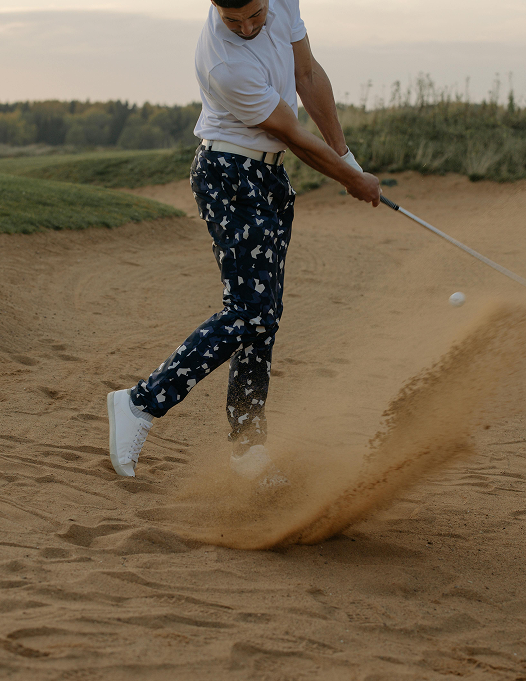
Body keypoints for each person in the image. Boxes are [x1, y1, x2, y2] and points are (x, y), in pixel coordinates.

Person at [107, 0, 381, 484]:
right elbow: (293, 134)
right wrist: (349, 180)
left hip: (269, 178)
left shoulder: (284, 2)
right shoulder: (222, 61)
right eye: (234, 20)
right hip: (228, 174)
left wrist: (346, 156)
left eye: (256, 14)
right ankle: (139, 403)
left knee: (264, 317)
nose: (248, 26)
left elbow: (308, 73)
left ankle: (247, 448)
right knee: (249, 309)